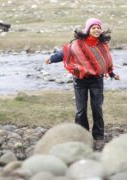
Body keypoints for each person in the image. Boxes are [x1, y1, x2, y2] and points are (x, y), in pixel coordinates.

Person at [45, 18, 120, 149]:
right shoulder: (77, 44)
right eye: (93, 28)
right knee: (81, 110)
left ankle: (98, 137)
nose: (96, 30)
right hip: (80, 80)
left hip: (97, 80)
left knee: (97, 108)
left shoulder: (102, 45)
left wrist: (112, 74)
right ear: (88, 30)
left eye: (98, 28)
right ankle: (82, 135)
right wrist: (52, 58)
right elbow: (65, 52)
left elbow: (106, 61)